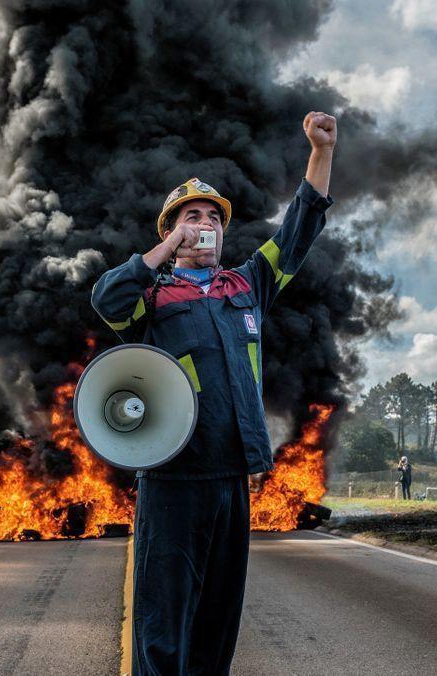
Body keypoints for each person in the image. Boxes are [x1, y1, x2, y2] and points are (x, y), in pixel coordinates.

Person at [91, 111, 337, 675]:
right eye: (189, 218)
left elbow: (300, 229)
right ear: (170, 232)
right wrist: (166, 250)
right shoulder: (151, 296)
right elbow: (106, 300)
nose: (204, 225)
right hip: (174, 479)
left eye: (211, 218)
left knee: (218, 618)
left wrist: (321, 154)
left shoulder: (247, 284)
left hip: (232, 476)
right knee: (163, 619)